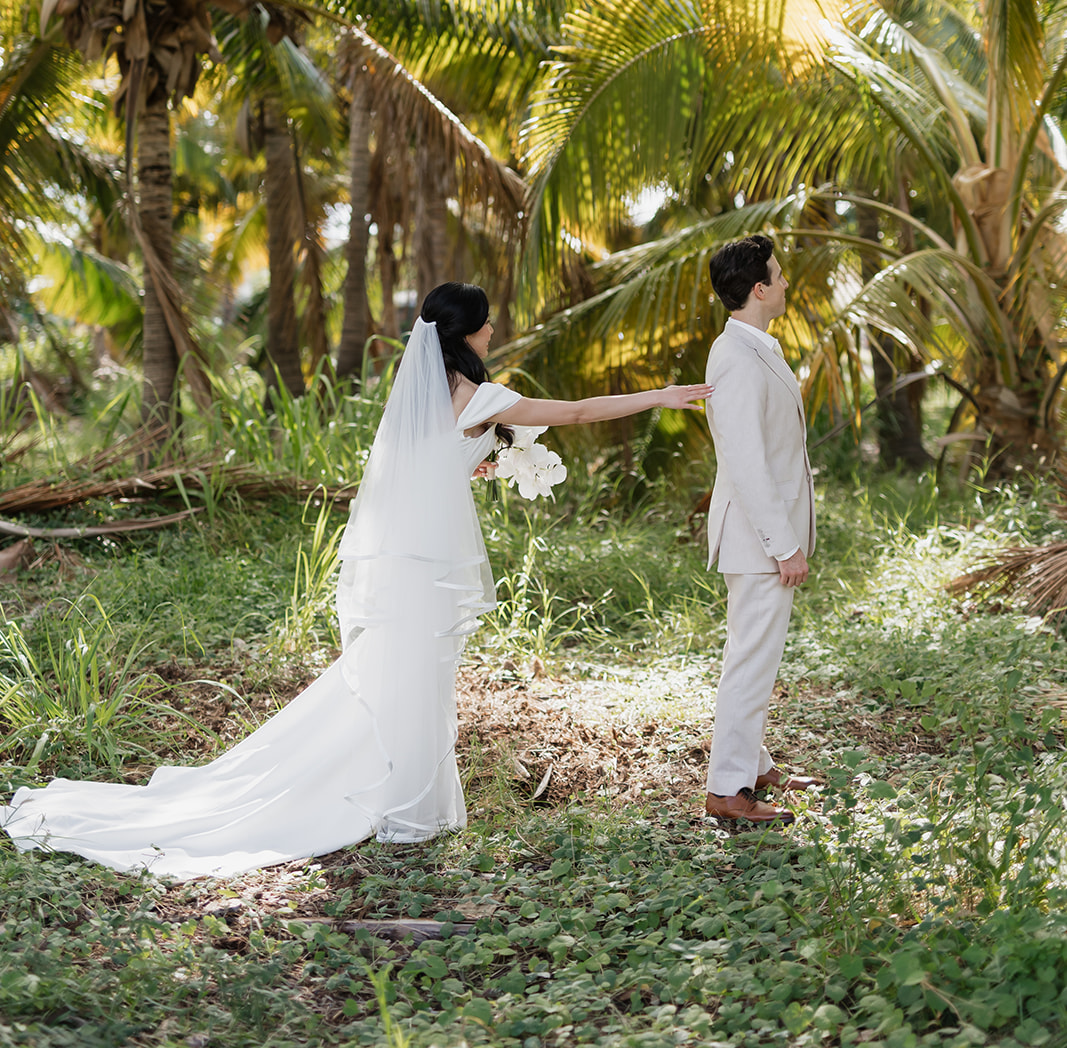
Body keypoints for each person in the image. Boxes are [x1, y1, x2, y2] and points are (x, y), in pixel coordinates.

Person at [0, 281, 710, 880]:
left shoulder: (424, 400)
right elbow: (581, 412)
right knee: (420, 685)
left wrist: (481, 465)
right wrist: (663, 393)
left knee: (404, 683)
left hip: (404, 562)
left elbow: (424, 470)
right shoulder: (481, 396)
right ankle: (410, 813)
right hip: (427, 571)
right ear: (475, 332)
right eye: (491, 322)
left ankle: (413, 805)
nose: (496, 330)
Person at [702, 236, 817, 830]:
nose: (787, 282)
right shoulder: (736, 358)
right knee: (750, 660)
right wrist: (784, 545)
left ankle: (754, 762)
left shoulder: (755, 348)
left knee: (754, 656)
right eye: (779, 274)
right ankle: (727, 788)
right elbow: (746, 462)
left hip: (760, 538)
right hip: (757, 542)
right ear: (758, 289)